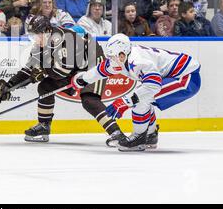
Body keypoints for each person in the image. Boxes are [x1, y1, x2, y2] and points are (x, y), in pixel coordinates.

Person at [0, 15, 125, 145]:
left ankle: (116, 133)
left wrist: (43, 71)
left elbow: (62, 71)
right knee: (45, 87)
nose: (35, 39)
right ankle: (44, 126)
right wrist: (9, 85)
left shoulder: (64, 39)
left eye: (38, 35)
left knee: (89, 99)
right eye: (33, 35)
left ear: (47, 31)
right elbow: (29, 70)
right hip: (74, 67)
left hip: (92, 61)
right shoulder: (40, 45)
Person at [71, 33, 202, 151]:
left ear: (123, 54)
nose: (111, 60)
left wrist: (124, 102)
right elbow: (101, 70)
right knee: (142, 95)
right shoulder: (121, 58)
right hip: (176, 76)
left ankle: (139, 137)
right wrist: (83, 79)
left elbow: (153, 85)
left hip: (186, 79)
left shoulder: (138, 61)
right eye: (110, 56)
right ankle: (150, 135)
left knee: (141, 96)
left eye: (113, 57)